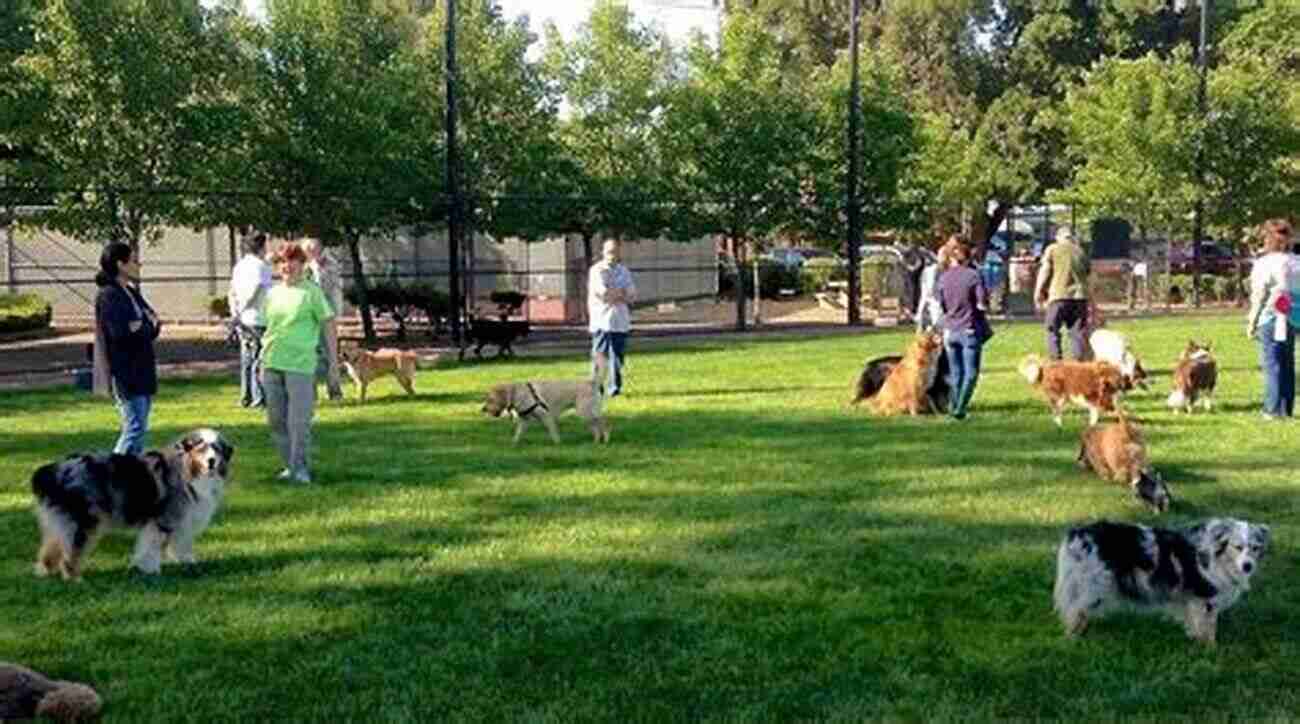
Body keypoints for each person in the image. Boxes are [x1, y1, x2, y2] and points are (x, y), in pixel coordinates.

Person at [261, 242, 338, 483]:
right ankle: (289, 466)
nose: (287, 266)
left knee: (299, 422)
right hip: (271, 363)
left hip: (301, 366)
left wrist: (333, 364)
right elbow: (269, 327)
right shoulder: (272, 293)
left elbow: (328, 325)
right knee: (276, 421)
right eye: (282, 261)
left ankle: (300, 469)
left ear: (302, 264)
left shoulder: (311, 292)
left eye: (292, 261)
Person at [92, 242, 161, 455]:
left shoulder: (130, 291)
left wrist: (141, 326)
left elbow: (153, 322)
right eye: (133, 260)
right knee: (134, 427)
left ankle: (130, 478)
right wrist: (140, 326)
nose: (138, 264)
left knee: (140, 428)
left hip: (143, 368)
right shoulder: (108, 295)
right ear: (120, 264)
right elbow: (119, 332)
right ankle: (111, 474)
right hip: (125, 372)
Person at [1246, 218, 1298, 419]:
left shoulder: (1263, 264)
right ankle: (1286, 408)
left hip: (1270, 318)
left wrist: (1252, 322)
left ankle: (1272, 409)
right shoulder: (1296, 262)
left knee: (1271, 364)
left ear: (1268, 239)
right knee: (1287, 363)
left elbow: (1258, 296)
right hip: (1292, 318)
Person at [937, 237, 992, 420]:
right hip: (969, 330)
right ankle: (960, 409)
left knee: (955, 372)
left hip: (950, 331)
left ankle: (953, 406)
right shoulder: (974, 276)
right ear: (969, 257)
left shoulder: (943, 277)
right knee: (971, 373)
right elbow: (981, 304)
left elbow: (942, 304)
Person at [227, 232, 272, 408]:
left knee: (246, 359)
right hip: (258, 317)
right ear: (261, 246)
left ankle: (245, 396)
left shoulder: (239, 266)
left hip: (242, 318)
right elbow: (256, 290)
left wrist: (235, 312)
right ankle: (258, 397)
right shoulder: (262, 266)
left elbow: (232, 291)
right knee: (259, 359)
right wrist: (245, 307)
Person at [588, 238, 637, 397]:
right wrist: (619, 292)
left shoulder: (624, 271)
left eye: (615, 251)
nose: (612, 255)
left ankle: (614, 388)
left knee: (618, 357)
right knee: (600, 356)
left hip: (620, 321)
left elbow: (631, 295)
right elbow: (604, 294)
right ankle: (596, 388)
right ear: (603, 252)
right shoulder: (597, 270)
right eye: (609, 251)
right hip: (602, 321)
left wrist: (618, 293)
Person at [1035, 226, 1091, 360]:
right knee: (1077, 333)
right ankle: (1078, 365)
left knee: (1052, 329)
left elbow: (1045, 271)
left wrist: (1038, 291)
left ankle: (1056, 363)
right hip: (1079, 298)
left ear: (1058, 237)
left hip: (1058, 296)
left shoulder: (1052, 249)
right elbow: (1088, 275)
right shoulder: (1080, 252)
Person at [301, 238, 344, 401]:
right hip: (308, 317)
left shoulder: (329, 265)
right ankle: (311, 394)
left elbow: (325, 288)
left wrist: (317, 267)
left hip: (327, 316)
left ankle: (335, 391)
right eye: (307, 251)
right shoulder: (304, 267)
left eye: (312, 250)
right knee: (309, 354)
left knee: (330, 355)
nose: (310, 253)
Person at [916, 241, 949, 332]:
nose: (944, 258)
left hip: (943, 311)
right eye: (943, 255)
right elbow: (928, 293)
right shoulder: (931, 271)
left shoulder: (952, 271)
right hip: (933, 309)